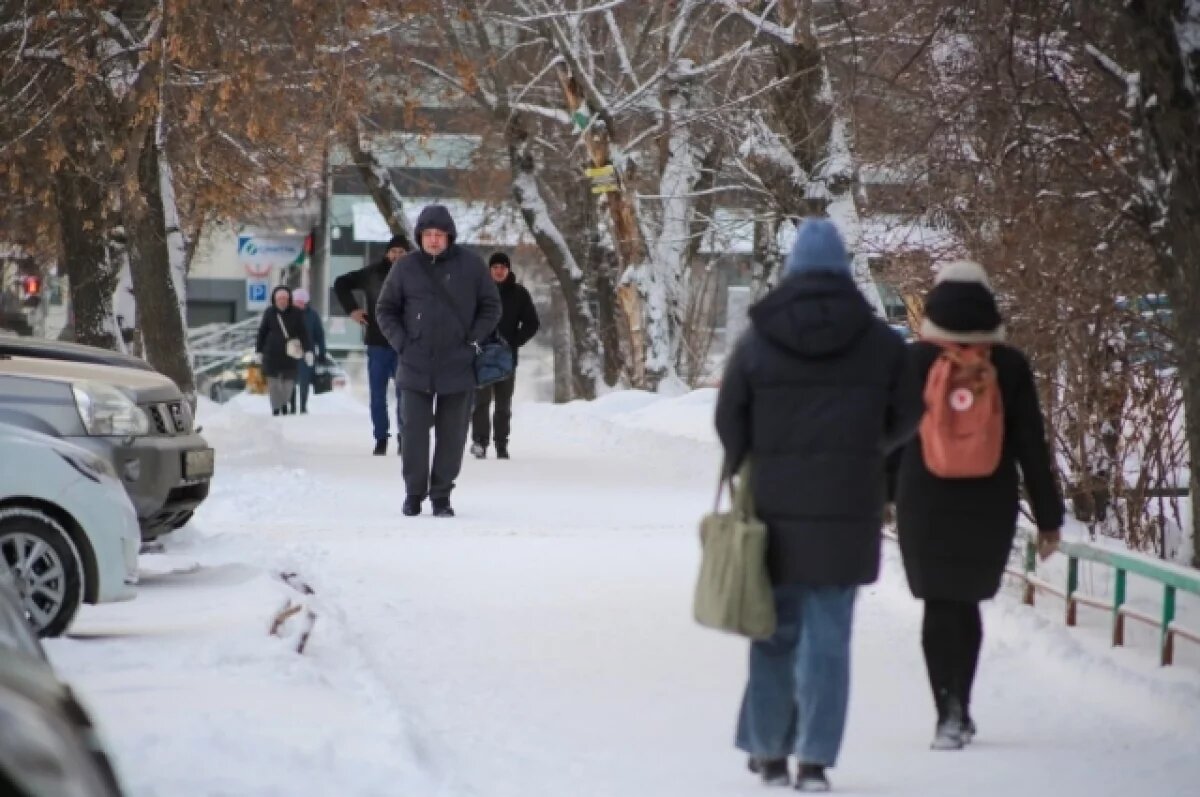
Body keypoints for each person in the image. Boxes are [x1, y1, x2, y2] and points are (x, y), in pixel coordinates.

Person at [714, 218, 922, 792]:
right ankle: (815, 762)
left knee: (773, 634)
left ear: (793, 269)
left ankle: (769, 752)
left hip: (774, 511)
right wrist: (869, 447)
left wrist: (749, 457)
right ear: (845, 268)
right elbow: (907, 414)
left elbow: (729, 417)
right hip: (849, 510)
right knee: (829, 640)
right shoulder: (881, 342)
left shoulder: (759, 337)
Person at [892, 260, 1063, 751]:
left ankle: (945, 711)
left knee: (936, 604)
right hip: (988, 502)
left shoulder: (913, 362)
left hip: (923, 500)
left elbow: (890, 437)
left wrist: (880, 495)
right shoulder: (1007, 365)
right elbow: (1032, 445)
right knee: (965, 603)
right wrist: (1049, 517)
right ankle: (961, 707)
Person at [376, 205, 501, 518]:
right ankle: (414, 494)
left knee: (452, 435)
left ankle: (441, 495)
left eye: (439, 235)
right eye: (427, 234)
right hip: (414, 364)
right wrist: (403, 343)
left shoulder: (471, 266)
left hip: (457, 365)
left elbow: (491, 306)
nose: (433, 240)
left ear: (449, 236)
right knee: (414, 433)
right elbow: (385, 309)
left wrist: (474, 338)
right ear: (420, 236)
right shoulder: (405, 268)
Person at [334, 233, 410, 455]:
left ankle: (404, 437)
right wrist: (352, 309)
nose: (397, 256)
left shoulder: (416, 274)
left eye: (401, 252)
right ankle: (380, 438)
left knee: (405, 395)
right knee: (378, 395)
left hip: (404, 345)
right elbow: (341, 283)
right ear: (387, 252)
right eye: (393, 251)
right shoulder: (372, 273)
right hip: (377, 342)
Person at [469, 252, 540, 460]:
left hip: (506, 360)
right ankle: (480, 442)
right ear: (489, 270)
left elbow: (532, 323)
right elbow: (465, 320)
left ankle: (501, 444)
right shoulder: (478, 293)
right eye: (495, 267)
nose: (499, 271)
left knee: (503, 404)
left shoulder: (519, 294)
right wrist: (473, 340)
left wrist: (514, 342)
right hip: (481, 357)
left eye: (503, 267)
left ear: (508, 270)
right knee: (480, 403)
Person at [255, 286, 313, 417]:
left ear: (289, 299)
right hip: (271, 354)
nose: (282, 301)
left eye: (284, 298)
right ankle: (276, 408)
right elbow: (262, 332)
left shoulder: (297, 313)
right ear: (274, 300)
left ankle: (284, 403)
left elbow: (304, 333)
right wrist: (258, 351)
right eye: (279, 298)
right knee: (273, 384)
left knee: (288, 385)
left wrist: (308, 351)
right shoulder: (269, 313)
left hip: (290, 354)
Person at [289, 287, 326, 414]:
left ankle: (303, 406)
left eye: (301, 301)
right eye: (296, 301)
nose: (298, 304)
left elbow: (319, 335)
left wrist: (322, 353)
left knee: (304, 380)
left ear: (305, 302)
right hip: (290, 352)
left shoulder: (312, 315)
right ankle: (292, 406)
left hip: (307, 353)